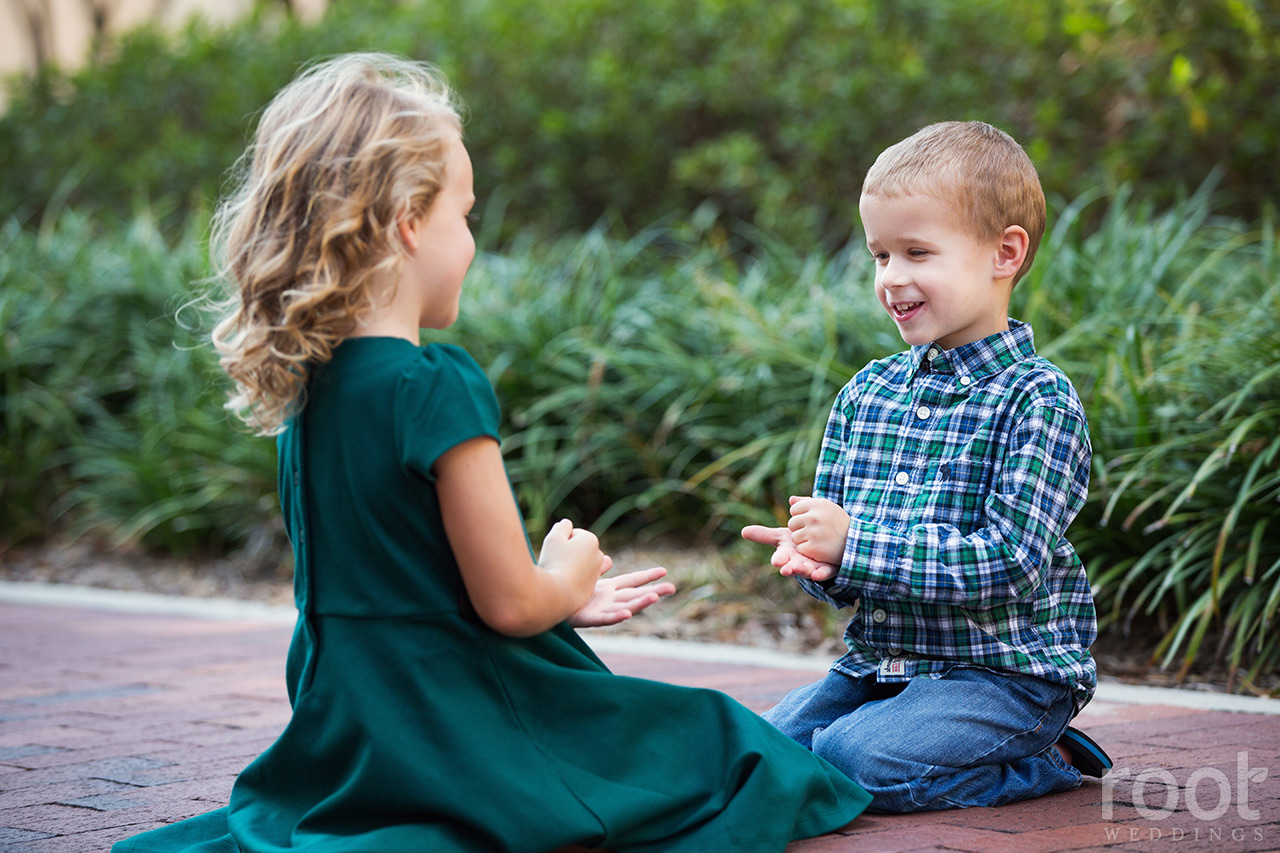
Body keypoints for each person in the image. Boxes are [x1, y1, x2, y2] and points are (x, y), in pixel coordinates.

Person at [112, 53, 870, 853]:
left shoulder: (308, 386)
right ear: (408, 220)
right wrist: (567, 574)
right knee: (733, 746)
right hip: (451, 715)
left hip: (345, 726)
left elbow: (398, 576)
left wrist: (552, 597)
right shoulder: (431, 384)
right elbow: (508, 604)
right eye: (463, 215)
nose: (470, 239)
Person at [742, 120, 1112, 814]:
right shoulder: (868, 394)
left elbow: (1009, 563)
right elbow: (851, 568)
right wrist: (821, 562)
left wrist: (859, 544)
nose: (892, 278)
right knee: (767, 752)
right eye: (880, 254)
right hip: (879, 666)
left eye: (917, 251)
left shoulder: (1037, 399)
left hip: (1001, 675)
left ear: (1004, 253)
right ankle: (887, 732)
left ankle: (1048, 755)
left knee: (855, 762)